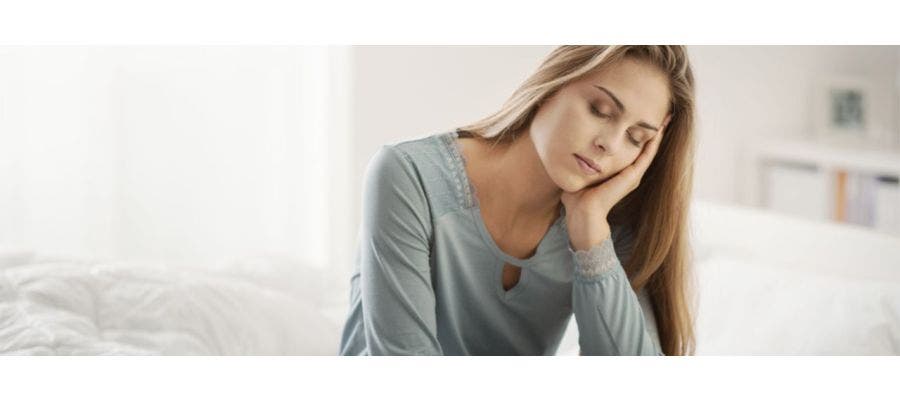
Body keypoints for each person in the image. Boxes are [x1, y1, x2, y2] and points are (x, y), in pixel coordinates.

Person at [339, 45, 697, 356]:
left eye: (636, 138)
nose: (611, 144)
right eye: (600, 110)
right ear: (551, 85)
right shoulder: (408, 175)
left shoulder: (609, 225)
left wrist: (590, 237)